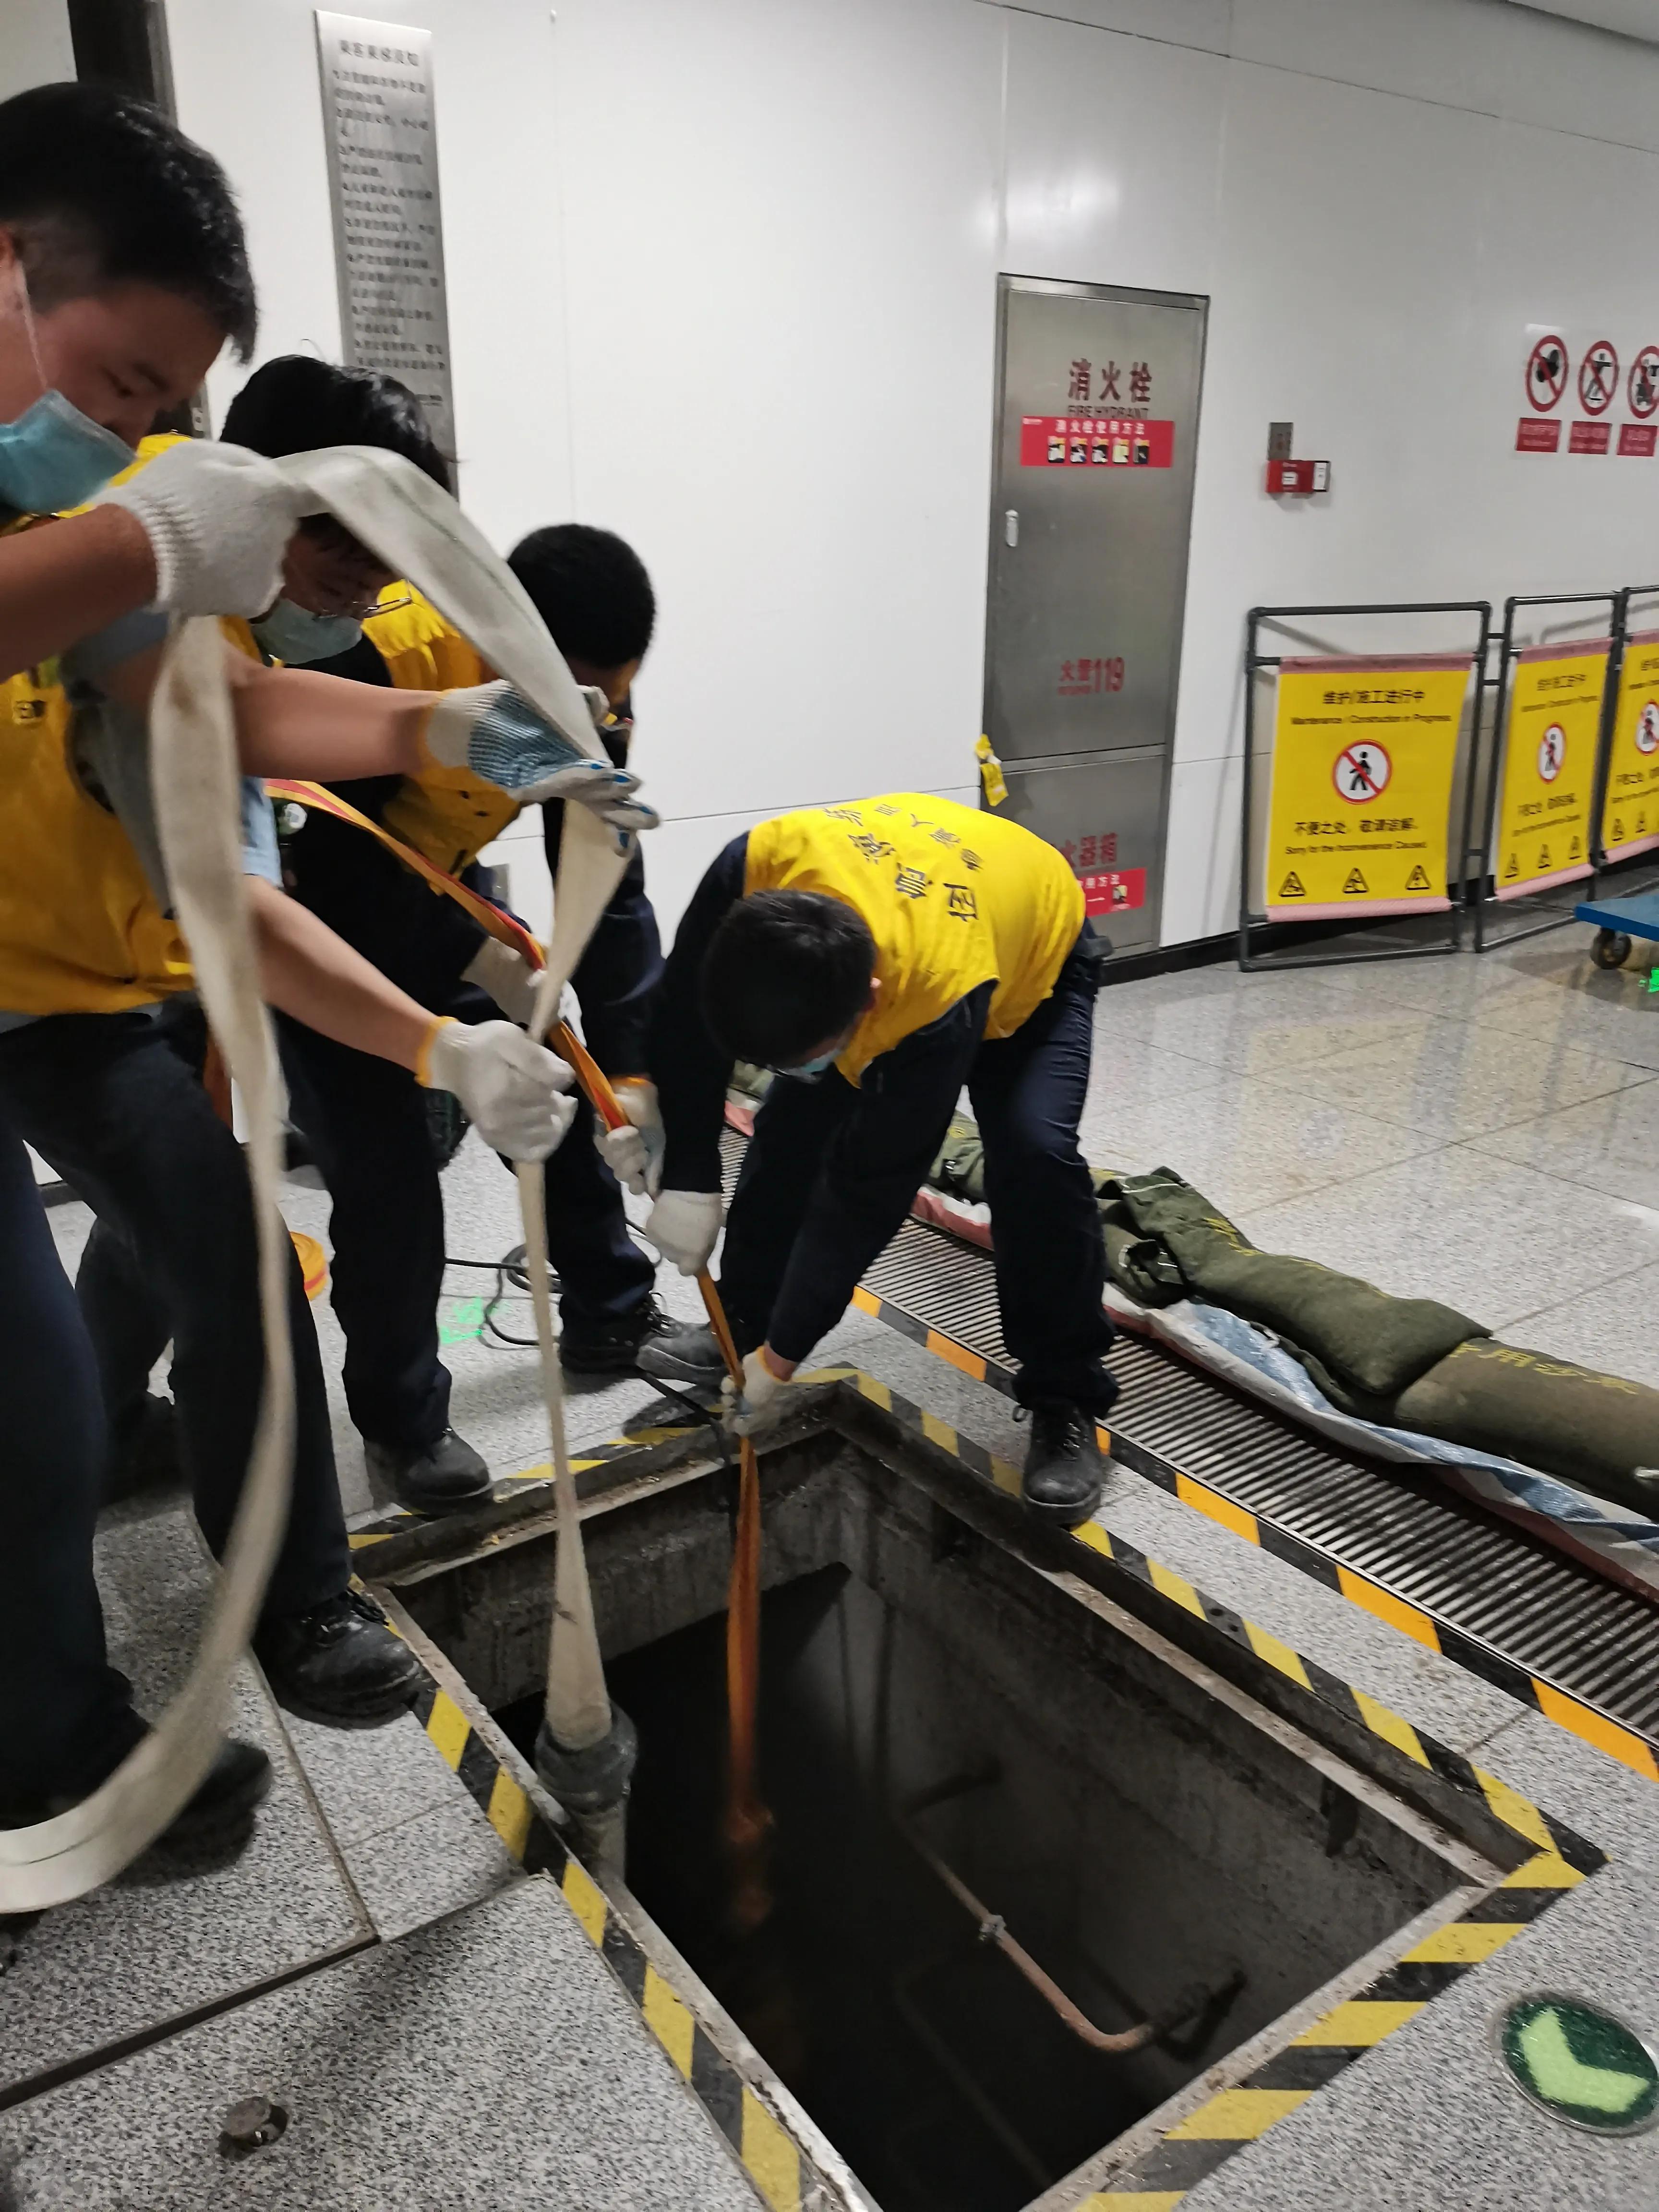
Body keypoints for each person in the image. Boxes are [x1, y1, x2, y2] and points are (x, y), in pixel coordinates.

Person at [0, 84, 638, 1839]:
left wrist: (462, 732)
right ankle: (74, 1725)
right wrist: (136, 537)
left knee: (203, 1264)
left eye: (157, 407)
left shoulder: (128, 527)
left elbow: (217, 761)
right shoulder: (130, 521)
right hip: (63, 983)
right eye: (124, 386)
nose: (132, 430)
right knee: (45, 1388)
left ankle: (231, 1619)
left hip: (75, 989)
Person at [200, 354, 692, 1507]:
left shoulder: (588, 702)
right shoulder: (394, 655)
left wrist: (627, 1067)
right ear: (506, 638)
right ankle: (404, 1421)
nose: (598, 720)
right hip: (333, 935)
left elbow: (608, 881)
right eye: (575, 698)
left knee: (564, 1101)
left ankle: (615, 1314)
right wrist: (476, 968)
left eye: (611, 700)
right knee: (386, 1179)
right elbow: (326, 866)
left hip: (452, 903)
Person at [637, 792, 1118, 1525]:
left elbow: (863, 1197)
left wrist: (785, 1363)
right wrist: (687, 1174)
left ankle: (1067, 1394)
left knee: (1033, 1154)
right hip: (929, 911)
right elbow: (681, 1018)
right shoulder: (754, 867)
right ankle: (742, 1322)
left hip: (1033, 962)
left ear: (867, 1001)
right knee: (792, 1124)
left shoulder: (931, 996)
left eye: (807, 1055)